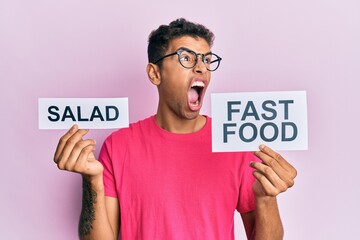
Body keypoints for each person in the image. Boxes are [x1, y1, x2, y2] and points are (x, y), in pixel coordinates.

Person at [53, 18, 297, 240]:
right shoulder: (119, 146)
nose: (201, 67)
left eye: (206, 59)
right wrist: (91, 181)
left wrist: (266, 199)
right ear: (155, 73)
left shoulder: (233, 143)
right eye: (187, 58)